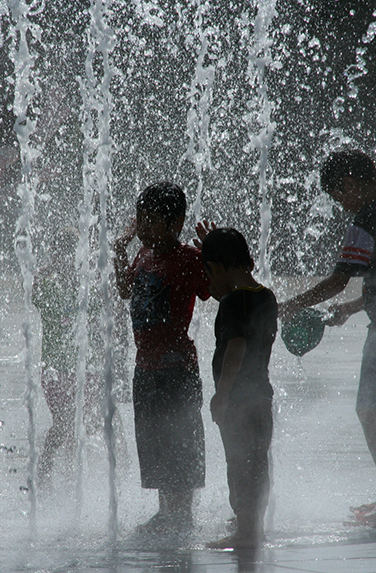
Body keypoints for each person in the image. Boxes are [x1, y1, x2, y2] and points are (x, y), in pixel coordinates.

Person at [279, 149, 376, 526]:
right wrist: (350, 309)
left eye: (338, 196)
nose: (341, 204)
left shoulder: (367, 217)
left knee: (373, 412)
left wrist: (290, 306)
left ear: (348, 183)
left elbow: (338, 279)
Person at [113, 181, 211, 535]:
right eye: (139, 219)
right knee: (153, 440)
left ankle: (181, 514)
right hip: (146, 367)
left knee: (180, 441)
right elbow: (125, 290)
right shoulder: (143, 255)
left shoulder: (188, 258)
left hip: (177, 368)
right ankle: (165, 512)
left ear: (176, 222)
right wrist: (120, 251)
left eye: (151, 220)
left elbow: (213, 290)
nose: (143, 227)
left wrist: (212, 253)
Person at [200, 228, 278, 549]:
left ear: (217, 268)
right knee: (258, 461)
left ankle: (246, 533)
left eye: (209, 273)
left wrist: (222, 394)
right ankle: (252, 523)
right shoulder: (265, 295)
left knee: (239, 464)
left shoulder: (233, 302)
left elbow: (235, 346)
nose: (209, 284)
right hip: (262, 397)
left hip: (238, 402)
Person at [32, 227, 102, 489]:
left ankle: (71, 473)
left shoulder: (85, 286)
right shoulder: (47, 284)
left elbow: (100, 311)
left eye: (70, 254)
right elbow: (32, 292)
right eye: (59, 255)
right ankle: (44, 471)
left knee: (80, 422)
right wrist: (47, 271)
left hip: (84, 367)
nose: (65, 261)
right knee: (62, 423)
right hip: (55, 369)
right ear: (53, 255)